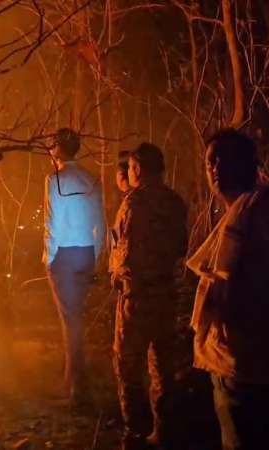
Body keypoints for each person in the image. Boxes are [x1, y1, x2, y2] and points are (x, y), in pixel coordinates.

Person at [186, 129, 269, 450]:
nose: (216, 167)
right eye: (210, 161)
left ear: (249, 164)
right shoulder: (237, 216)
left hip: (258, 375)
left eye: (226, 158)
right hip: (232, 368)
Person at [110, 143, 188, 449]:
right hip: (166, 293)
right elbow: (181, 246)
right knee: (163, 366)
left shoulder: (133, 204)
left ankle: (136, 432)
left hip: (137, 297)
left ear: (138, 169)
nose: (128, 174)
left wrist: (116, 274)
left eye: (130, 168)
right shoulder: (174, 201)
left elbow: (124, 252)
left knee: (128, 364)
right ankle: (165, 430)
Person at [43, 128, 105, 406]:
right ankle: (72, 382)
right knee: (75, 318)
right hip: (86, 253)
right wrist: (97, 254)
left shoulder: (54, 179)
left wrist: (49, 257)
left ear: (57, 149)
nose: (49, 150)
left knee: (71, 322)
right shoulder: (91, 178)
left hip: (64, 256)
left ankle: (78, 389)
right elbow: (100, 222)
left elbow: (51, 222)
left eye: (51, 145)